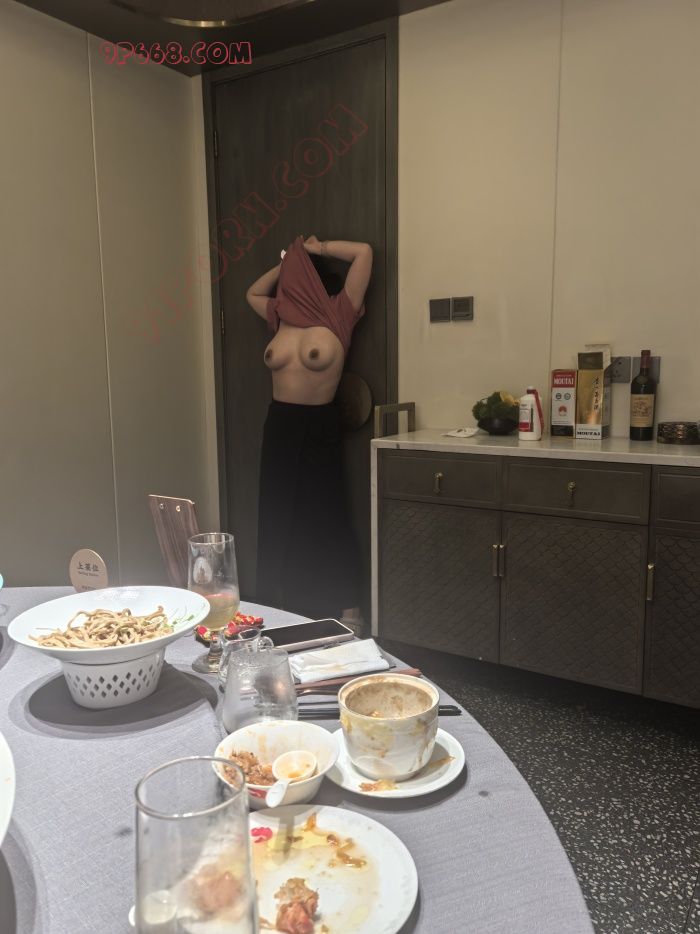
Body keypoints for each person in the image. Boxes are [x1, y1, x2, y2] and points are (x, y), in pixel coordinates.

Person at [246, 235, 373, 619]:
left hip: (319, 424)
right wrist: (286, 262)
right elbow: (252, 293)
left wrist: (316, 249)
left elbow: (364, 253)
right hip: (279, 424)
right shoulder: (280, 314)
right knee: (276, 515)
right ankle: (272, 609)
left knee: (326, 514)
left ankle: (347, 608)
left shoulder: (339, 313)